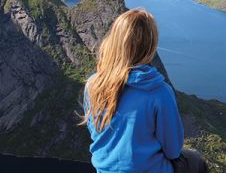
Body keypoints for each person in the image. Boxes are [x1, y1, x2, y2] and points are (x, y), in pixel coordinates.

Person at [81, 9, 207, 173]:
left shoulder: (93, 85)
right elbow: (173, 150)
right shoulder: (159, 92)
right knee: (195, 161)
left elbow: (96, 132)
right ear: (150, 46)